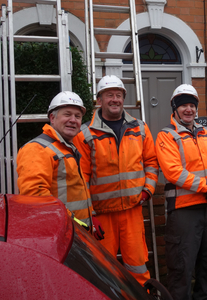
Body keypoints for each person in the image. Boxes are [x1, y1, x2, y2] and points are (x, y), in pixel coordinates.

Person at [73, 75, 158, 286]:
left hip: (132, 211)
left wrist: (148, 190)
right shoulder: (85, 133)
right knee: (103, 269)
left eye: (118, 95)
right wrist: (89, 214)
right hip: (102, 216)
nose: (115, 99)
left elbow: (152, 162)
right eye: (109, 95)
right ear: (99, 100)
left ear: (124, 98)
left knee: (137, 266)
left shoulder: (140, 128)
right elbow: (80, 177)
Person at [155, 84, 207, 300]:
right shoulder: (166, 136)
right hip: (184, 210)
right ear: (175, 108)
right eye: (183, 106)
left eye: (192, 105)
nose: (188, 110)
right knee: (181, 267)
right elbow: (173, 172)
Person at [17, 91, 104, 240]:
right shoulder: (37, 149)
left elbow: (76, 191)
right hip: (59, 235)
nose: (73, 120)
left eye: (77, 116)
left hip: (74, 234)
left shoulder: (67, 147)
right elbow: (36, 196)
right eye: (67, 114)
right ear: (52, 117)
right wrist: (74, 223)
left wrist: (90, 218)